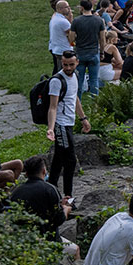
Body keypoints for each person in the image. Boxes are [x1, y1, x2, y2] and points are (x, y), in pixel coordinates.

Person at [46, 51, 89, 198]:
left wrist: (83, 118)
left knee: (59, 159)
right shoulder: (56, 81)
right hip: (61, 124)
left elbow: (74, 98)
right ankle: (68, 196)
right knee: (70, 161)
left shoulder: (75, 75)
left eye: (71, 64)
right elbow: (53, 107)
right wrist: (51, 128)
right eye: (65, 65)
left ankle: (51, 188)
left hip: (69, 122)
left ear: (77, 62)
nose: (68, 68)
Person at [9, 155, 72, 244]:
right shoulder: (50, 189)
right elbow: (59, 219)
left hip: (23, 241)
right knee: (75, 249)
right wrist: (66, 209)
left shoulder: (16, 192)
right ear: (44, 171)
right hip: (47, 240)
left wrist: (60, 203)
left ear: (26, 174)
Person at [69, 0, 106, 95]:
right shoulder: (99, 20)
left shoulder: (76, 21)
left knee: (79, 80)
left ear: (82, 8)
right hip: (94, 52)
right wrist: (102, 52)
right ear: (92, 7)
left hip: (80, 53)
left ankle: (78, 101)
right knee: (94, 80)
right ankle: (95, 101)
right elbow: (102, 39)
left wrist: (75, 43)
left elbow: (71, 39)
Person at [49, 0, 73, 74]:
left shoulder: (55, 17)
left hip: (56, 48)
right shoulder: (63, 21)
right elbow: (72, 34)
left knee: (58, 69)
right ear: (60, 9)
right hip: (64, 49)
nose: (69, 9)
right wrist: (71, 19)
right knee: (64, 71)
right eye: (67, 7)